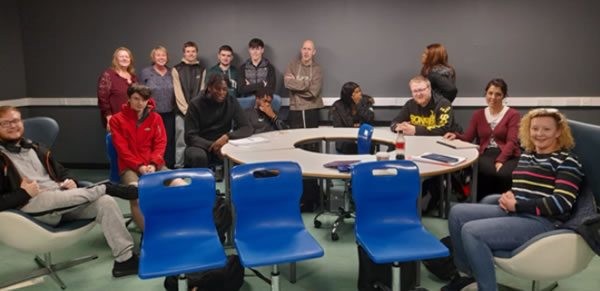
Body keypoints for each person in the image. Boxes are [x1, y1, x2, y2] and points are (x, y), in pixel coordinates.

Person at [442, 108, 583, 291]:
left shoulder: (567, 161)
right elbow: (525, 187)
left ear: (558, 132)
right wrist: (511, 193)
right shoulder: (528, 154)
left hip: (545, 222)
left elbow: (561, 203)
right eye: (535, 129)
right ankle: (466, 277)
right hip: (518, 212)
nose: (539, 134)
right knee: (457, 213)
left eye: (546, 129)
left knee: (472, 231)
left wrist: (517, 204)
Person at [0, 106, 140, 277]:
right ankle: (107, 187)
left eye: (15, 121)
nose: (12, 126)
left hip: (62, 200)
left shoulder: (35, 148)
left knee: (105, 202)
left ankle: (125, 260)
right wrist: (25, 193)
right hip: (31, 207)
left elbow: (62, 171)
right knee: (53, 196)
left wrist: (71, 181)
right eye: (5, 123)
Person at [109, 83, 185, 231]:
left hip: (154, 164)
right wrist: (139, 166)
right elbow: (121, 148)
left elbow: (161, 143)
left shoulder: (155, 118)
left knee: (180, 186)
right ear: (129, 99)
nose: (140, 103)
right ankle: (147, 234)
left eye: (144, 100)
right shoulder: (117, 120)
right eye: (136, 99)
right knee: (136, 195)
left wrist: (154, 163)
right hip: (129, 167)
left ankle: (177, 227)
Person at [444, 79, 520, 199]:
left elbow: (512, 142)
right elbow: (468, 137)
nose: (493, 97)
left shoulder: (512, 114)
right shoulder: (478, 114)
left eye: (498, 94)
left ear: (504, 96)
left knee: (504, 174)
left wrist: (500, 160)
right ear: (485, 93)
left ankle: (506, 203)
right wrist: (456, 136)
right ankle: (483, 203)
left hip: (508, 154)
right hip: (486, 153)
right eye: (490, 93)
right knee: (485, 173)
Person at [184, 73, 251, 168]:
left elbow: (246, 128)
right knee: (198, 156)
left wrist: (227, 136)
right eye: (217, 89)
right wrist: (213, 145)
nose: (221, 93)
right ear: (210, 87)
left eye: (224, 89)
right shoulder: (195, 104)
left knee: (244, 153)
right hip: (200, 144)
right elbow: (190, 137)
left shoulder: (232, 101)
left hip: (223, 143)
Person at [139, 46, 176, 168]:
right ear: (153, 57)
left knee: (168, 140)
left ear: (167, 57)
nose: (161, 58)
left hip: (169, 112)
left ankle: (168, 165)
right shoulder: (146, 72)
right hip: (151, 114)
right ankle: (152, 165)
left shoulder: (172, 72)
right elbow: (140, 92)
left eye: (163, 55)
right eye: (158, 55)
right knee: (152, 140)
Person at [172, 41, 205, 168]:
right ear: (184, 53)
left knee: (197, 141)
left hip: (197, 113)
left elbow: (202, 91)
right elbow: (177, 91)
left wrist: (195, 111)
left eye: (193, 51)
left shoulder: (202, 69)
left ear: (196, 53)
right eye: (188, 51)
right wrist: (186, 111)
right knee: (181, 141)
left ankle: (195, 167)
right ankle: (179, 167)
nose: (191, 54)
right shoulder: (177, 69)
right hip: (182, 112)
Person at [390, 76, 459, 136]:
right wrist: (398, 127)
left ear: (429, 89)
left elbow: (444, 128)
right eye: (415, 91)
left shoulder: (443, 104)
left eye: (421, 90)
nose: (418, 94)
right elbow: (395, 122)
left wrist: (415, 130)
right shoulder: (410, 104)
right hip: (418, 141)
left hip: (443, 143)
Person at [285, 40, 323, 129]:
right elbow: (288, 83)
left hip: (312, 108)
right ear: (301, 50)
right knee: (296, 139)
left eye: (309, 49)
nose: (306, 52)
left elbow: (314, 92)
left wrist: (295, 88)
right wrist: (306, 84)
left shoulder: (317, 69)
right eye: (304, 49)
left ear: (313, 52)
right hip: (295, 108)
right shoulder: (291, 65)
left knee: (312, 139)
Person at [97, 47, 137, 131]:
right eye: (121, 56)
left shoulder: (133, 77)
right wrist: (109, 118)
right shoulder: (108, 76)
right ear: (115, 59)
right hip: (117, 121)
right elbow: (103, 100)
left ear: (130, 60)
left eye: (127, 57)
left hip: (134, 120)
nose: (124, 59)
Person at [330, 81, 374, 154]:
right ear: (349, 95)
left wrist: (358, 104)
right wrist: (354, 134)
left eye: (360, 91)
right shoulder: (338, 106)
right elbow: (339, 127)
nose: (360, 94)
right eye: (356, 92)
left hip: (363, 138)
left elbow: (370, 119)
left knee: (368, 146)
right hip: (345, 140)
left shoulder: (365, 102)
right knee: (350, 147)